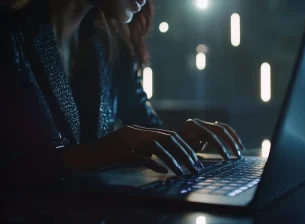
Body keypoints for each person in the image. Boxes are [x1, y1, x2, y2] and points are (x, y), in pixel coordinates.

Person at [0, 0, 245, 187]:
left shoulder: (110, 41)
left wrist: (182, 137)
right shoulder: (9, 31)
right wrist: (101, 152)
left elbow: (144, 124)